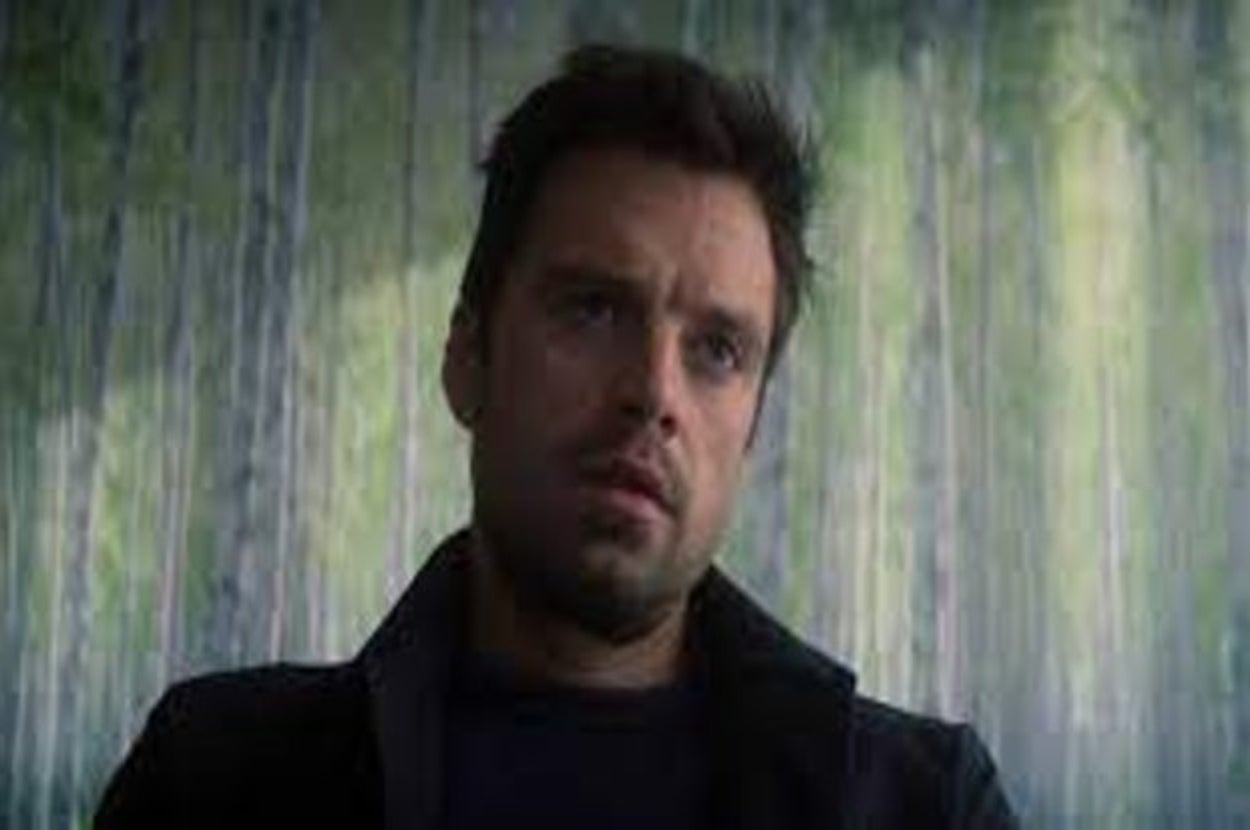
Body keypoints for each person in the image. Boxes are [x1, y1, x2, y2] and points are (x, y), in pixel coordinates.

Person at [96, 44, 1017, 829]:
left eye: (717, 350)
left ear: (753, 429)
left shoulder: (927, 807)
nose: (653, 394)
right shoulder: (213, 782)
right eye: (592, 308)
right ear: (468, 358)